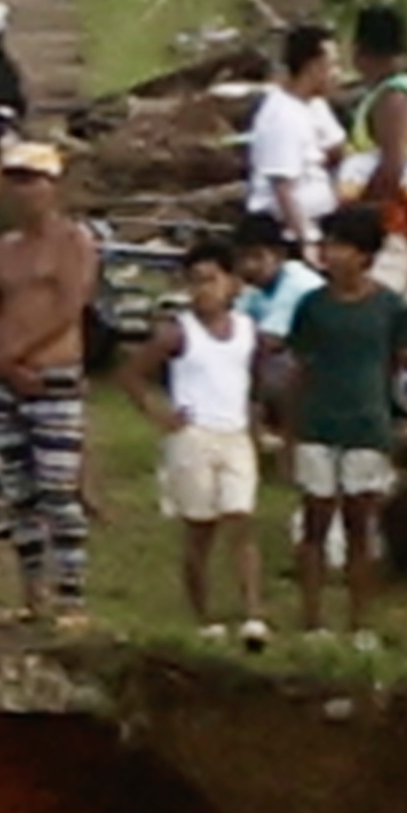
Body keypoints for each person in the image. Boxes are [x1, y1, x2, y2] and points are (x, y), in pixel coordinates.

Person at [0, 138, 98, 629]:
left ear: (53, 186)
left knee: (58, 490)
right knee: (19, 491)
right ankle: (32, 594)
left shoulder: (73, 242)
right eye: (16, 180)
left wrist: (15, 356)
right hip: (8, 378)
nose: (24, 191)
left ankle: (71, 596)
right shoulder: (0, 251)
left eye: (33, 180)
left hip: (53, 373)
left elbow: (69, 308)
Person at [278, 209, 407, 639]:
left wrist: (393, 418)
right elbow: (299, 369)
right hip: (318, 422)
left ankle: (360, 623)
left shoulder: (390, 309)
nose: (329, 254)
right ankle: (313, 620)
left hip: (366, 424)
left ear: (364, 256)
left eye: (340, 246)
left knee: (361, 524)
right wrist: (289, 432)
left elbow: (393, 367)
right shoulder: (313, 307)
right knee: (315, 520)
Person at [149, 233, 274, 649]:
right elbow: (132, 373)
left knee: (242, 518)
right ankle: (203, 614)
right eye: (196, 282)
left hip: (234, 432)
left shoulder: (246, 331)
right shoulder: (178, 333)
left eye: (212, 280)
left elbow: (251, 380)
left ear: (233, 284)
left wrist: (256, 426)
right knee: (200, 528)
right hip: (193, 434)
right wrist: (160, 414)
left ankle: (254, 613)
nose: (204, 291)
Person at [243, 23, 351, 246]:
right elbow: (283, 189)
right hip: (290, 229)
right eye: (333, 66)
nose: (338, 74)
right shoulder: (282, 116)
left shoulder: (315, 106)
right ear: (313, 67)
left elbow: (337, 147)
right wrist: (307, 239)